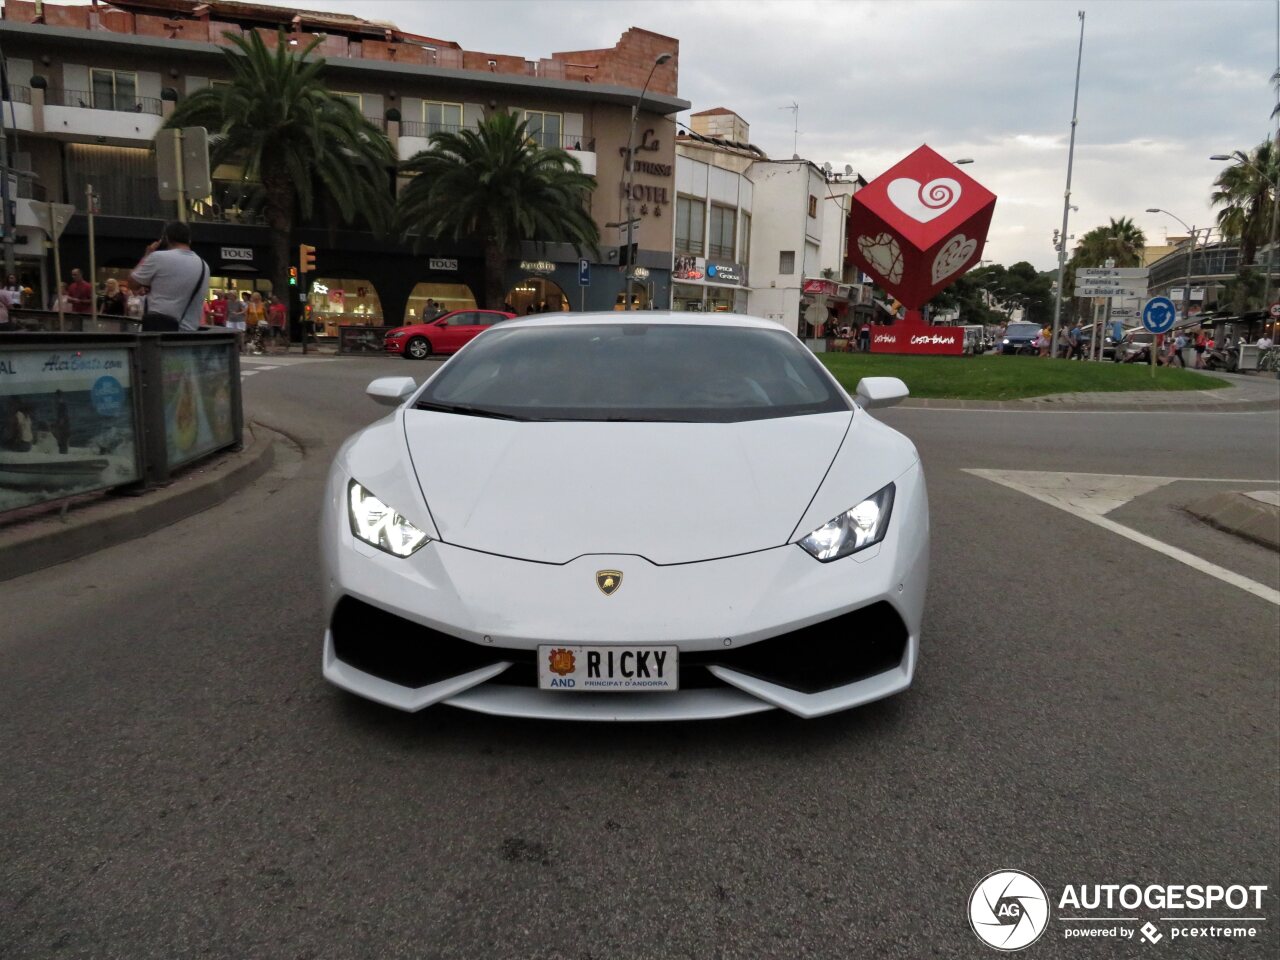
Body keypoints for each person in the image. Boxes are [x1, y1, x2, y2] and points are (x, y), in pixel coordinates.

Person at [130, 220, 210, 332]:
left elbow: (133, 283)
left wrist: (147, 255)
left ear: (166, 238)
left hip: (157, 335)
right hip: (188, 336)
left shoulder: (157, 257)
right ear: (189, 240)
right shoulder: (204, 266)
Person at [53, 390, 71, 455]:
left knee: (63, 440)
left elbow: (63, 417)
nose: (55, 399)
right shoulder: (61, 404)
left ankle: (63, 453)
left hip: (64, 426)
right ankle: (63, 452)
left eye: (56, 397)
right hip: (64, 425)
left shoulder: (62, 405)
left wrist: (57, 425)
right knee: (62, 441)